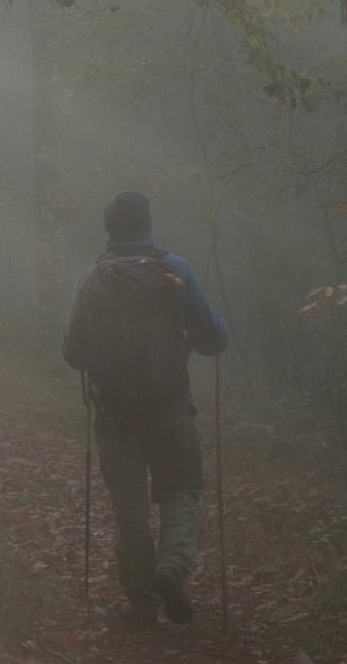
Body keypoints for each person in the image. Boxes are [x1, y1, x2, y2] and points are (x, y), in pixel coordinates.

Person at [61, 191, 229, 626]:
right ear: (148, 224)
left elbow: (72, 352)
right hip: (172, 407)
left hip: (115, 414)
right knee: (180, 492)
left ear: (109, 228)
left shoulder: (90, 279)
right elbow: (213, 339)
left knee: (130, 507)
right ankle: (171, 568)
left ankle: (140, 600)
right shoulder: (176, 270)